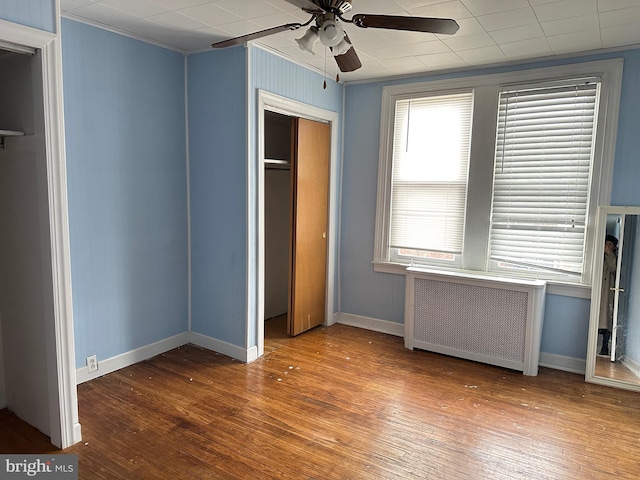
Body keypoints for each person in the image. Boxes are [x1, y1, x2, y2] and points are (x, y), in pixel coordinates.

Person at [598, 234, 618, 356]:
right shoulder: (599, 255)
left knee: (607, 321)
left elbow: (613, 269)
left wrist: (609, 254)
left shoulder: (614, 257)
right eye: (606, 244)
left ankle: (605, 346)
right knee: (597, 319)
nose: (607, 246)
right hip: (599, 293)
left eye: (610, 245)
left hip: (608, 294)